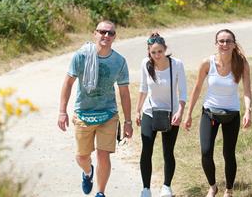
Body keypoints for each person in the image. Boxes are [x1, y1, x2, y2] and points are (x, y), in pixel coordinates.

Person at [57, 21, 132, 197]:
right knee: (82, 157)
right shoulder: (81, 56)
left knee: (103, 155)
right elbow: (68, 83)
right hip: (84, 113)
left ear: (115, 37)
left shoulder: (119, 61)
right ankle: (87, 172)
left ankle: (100, 192)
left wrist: (128, 121)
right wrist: (62, 111)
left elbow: (125, 94)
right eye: (102, 32)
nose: (106, 36)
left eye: (110, 33)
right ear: (95, 34)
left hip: (108, 114)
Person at [184, 29, 252, 197]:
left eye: (228, 41)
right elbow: (197, 87)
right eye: (221, 41)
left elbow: (247, 91)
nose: (224, 44)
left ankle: (229, 190)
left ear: (234, 44)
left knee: (228, 154)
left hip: (232, 115)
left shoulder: (241, 63)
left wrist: (248, 111)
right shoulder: (207, 63)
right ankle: (213, 186)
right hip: (210, 113)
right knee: (206, 152)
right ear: (216, 44)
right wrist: (189, 113)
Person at [137, 32, 188, 197]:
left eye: (160, 51)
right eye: (153, 52)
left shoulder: (176, 64)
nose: (157, 55)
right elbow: (143, 88)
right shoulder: (146, 63)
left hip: (171, 113)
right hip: (150, 112)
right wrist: (137, 111)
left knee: (168, 151)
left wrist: (180, 112)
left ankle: (166, 186)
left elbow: (183, 92)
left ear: (166, 49)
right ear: (148, 52)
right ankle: (146, 188)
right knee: (147, 149)